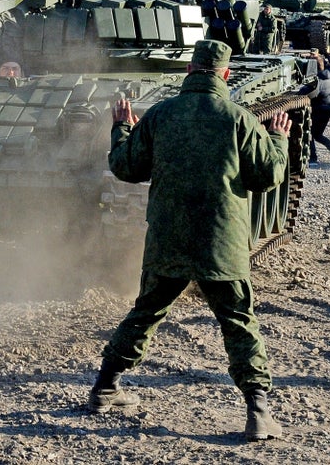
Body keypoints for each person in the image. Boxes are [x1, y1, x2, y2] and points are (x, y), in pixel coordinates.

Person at [89, 38, 291, 442]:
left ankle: (104, 388)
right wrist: (278, 141)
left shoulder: (161, 115)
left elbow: (126, 168)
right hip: (222, 242)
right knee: (237, 320)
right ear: (226, 74)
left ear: (188, 72)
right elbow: (267, 177)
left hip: (169, 238)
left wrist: (122, 128)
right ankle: (258, 413)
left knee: (145, 312)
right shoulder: (239, 119)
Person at [298, 52, 330, 167]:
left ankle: (313, 159)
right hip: (328, 107)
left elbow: (309, 93)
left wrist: (301, 89)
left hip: (319, 108)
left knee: (311, 134)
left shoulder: (317, 80)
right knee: (317, 134)